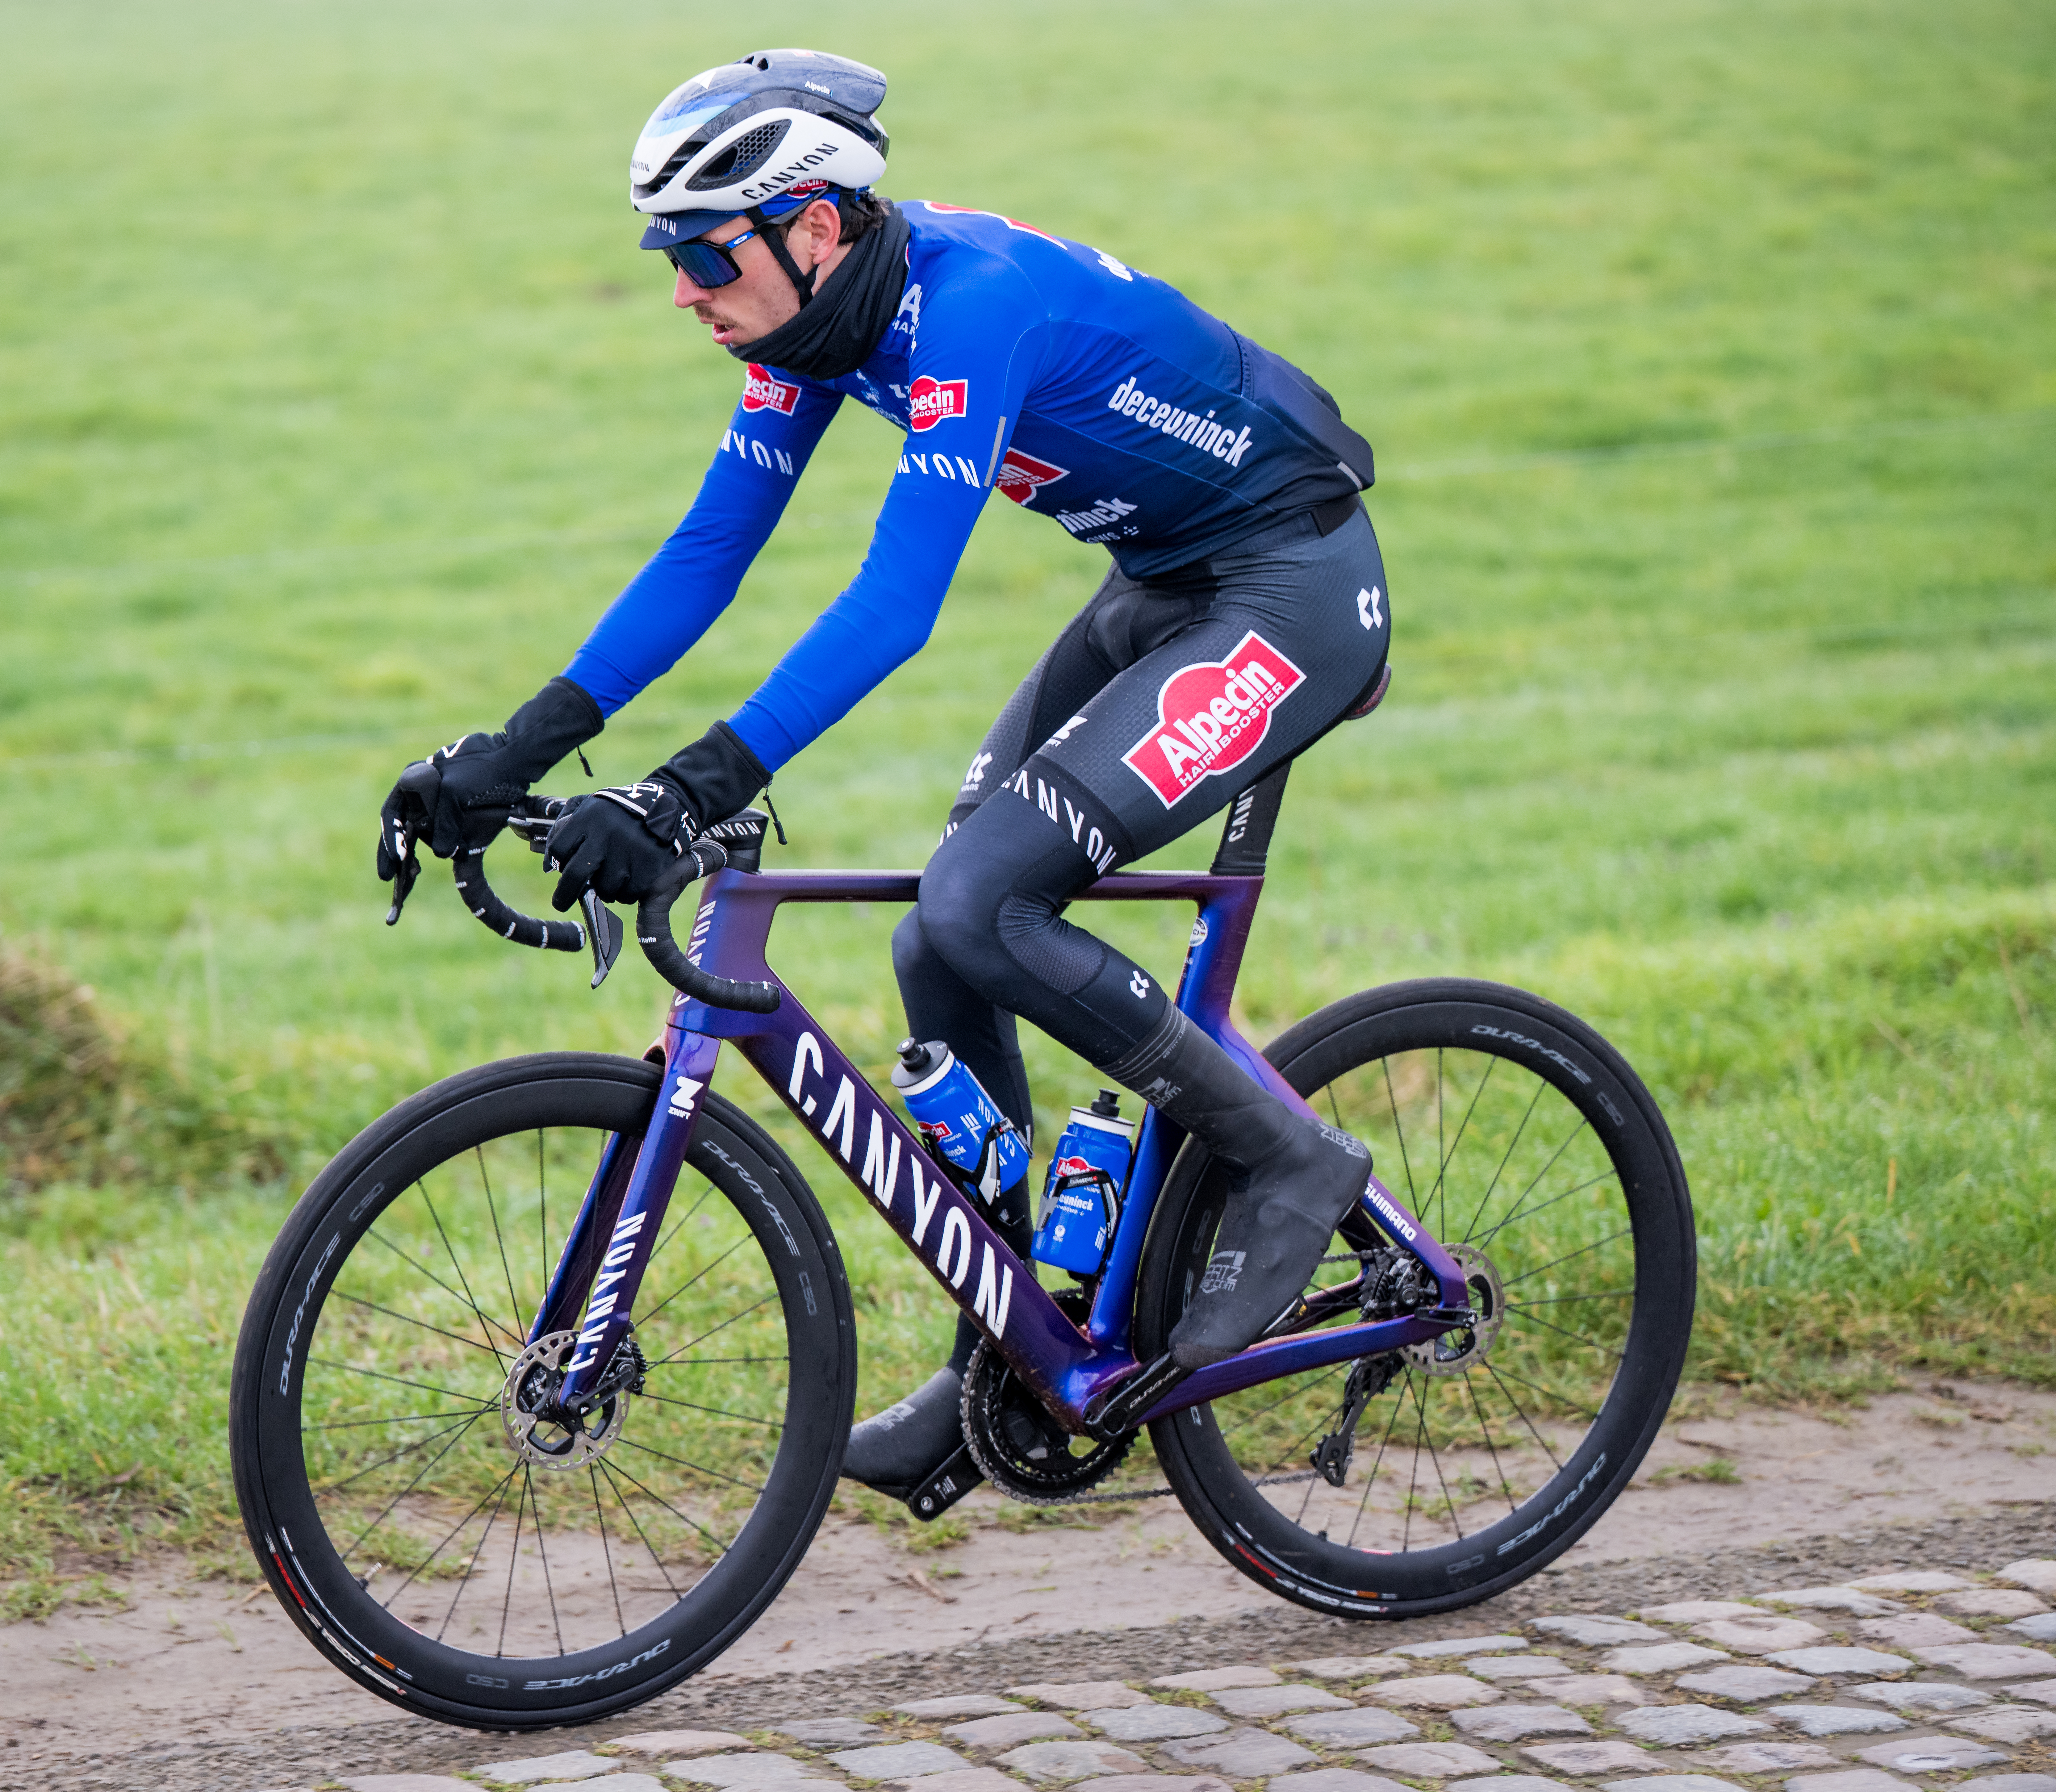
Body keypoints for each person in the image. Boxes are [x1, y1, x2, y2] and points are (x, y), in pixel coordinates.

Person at [376, 49, 1390, 1494]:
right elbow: (707, 554)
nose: (681, 289)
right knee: (940, 939)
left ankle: (1288, 1160)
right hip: (1166, 582)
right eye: (665, 256)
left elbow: (891, 608)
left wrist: (681, 792)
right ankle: (1020, 1337)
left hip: (1287, 587)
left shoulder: (969, 312)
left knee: (983, 901)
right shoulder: (813, 333)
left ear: (813, 227)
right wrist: (510, 754)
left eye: (703, 253)